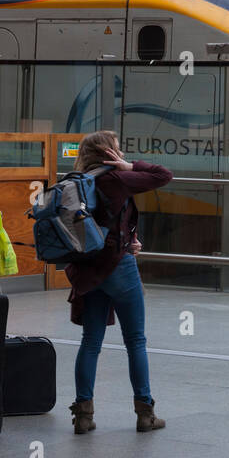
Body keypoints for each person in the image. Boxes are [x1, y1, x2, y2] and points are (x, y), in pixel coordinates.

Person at [66, 130, 173, 435]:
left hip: (90, 268)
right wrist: (129, 167)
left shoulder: (76, 179)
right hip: (118, 267)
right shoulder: (116, 178)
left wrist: (128, 239)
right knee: (135, 341)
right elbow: (163, 175)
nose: (122, 151)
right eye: (117, 148)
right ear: (109, 153)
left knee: (90, 342)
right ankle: (145, 413)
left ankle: (83, 416)